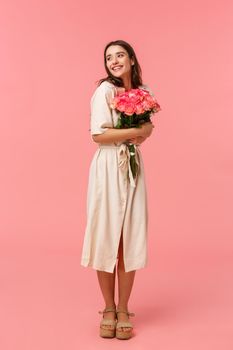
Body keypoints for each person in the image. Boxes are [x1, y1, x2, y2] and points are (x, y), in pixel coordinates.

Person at [80, 39, 155, 340]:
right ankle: (108, 307)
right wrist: (139, 131)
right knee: (106, 235)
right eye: (109, 57)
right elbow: (98, 135)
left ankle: (124, 308)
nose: (114, 61)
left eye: (120, 55)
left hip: (132, 167)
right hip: (108, 168)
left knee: (128, 237)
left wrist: (145, 131)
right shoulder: (105, 91)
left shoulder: (143, 93)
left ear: (132, 60)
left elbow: (148, 129)